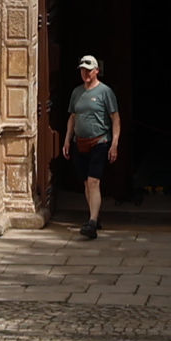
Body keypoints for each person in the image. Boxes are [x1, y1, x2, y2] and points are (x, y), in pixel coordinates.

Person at [58, 56, 122, 240]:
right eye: (82, 70)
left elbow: (115, 118)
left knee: (94, 181)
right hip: (81, 143)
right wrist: (67, 140)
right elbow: (73, 117)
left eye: (88, 69)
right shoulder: (77, 92)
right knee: (87, 183)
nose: (85, 73)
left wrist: (114, 144)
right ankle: (95, 215)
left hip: (99, 142)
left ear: (96, 71)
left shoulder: (105, 92)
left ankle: (92, 223)